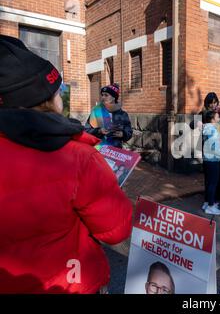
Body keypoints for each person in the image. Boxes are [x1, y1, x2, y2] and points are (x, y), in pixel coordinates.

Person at [0, 35, 132, 293]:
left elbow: (126, 132)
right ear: (46, 98)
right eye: (57, 89)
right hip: (69, 281)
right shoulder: (78, 157)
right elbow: (116, 229)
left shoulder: (120, 115)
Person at [192, 92, 220, 201]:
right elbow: (192, 125)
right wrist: (200, 123)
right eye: (211, 103)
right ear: (207, 103)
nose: (213, 105)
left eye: (215, 102)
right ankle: (210, 197)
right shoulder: (204, 114)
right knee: (210, 174)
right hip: (209, 149)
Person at [85, 83, 133, 148]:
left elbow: (129, 131)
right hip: (99, 150)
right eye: (102, 95)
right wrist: (99, 131)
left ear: (114, 98)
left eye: (106, 95)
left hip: (115, 151)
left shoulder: (122, 114)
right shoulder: (96, 112)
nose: (103, 97)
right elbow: (86, 130)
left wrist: (123, 134)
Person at [201, 110, 220, 215]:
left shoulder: (206, 129)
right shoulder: (213, 130)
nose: (219, 119)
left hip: (207, 160)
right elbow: (214, 148)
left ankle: (207, 202)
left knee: (209, 183)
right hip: (213, 160)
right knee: (213, 183)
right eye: (217, 117)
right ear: (212, 119)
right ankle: (211, 206)